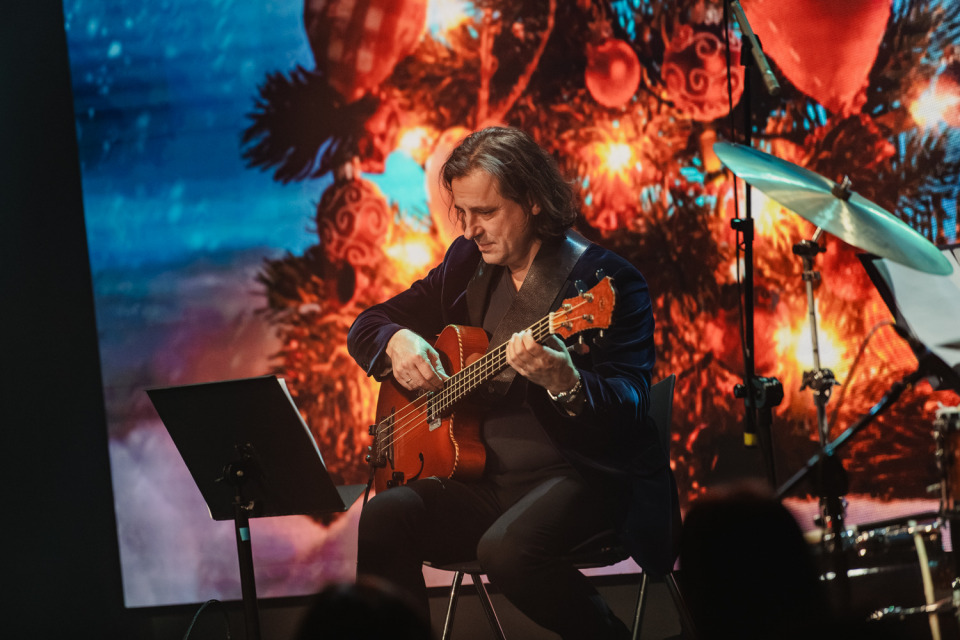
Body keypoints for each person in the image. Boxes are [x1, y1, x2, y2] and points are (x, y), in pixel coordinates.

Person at [347, 126, 679, 639]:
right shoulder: (465, 264)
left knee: (506, 549)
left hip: (583, 478)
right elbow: (367, 325)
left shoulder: (605, 282)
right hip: (484, 482)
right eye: (463, 213)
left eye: (486, 213)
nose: (470, 231)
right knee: (384, 516)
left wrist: (568, 383)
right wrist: (394, 341)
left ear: (533, 201)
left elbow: (631, 402)